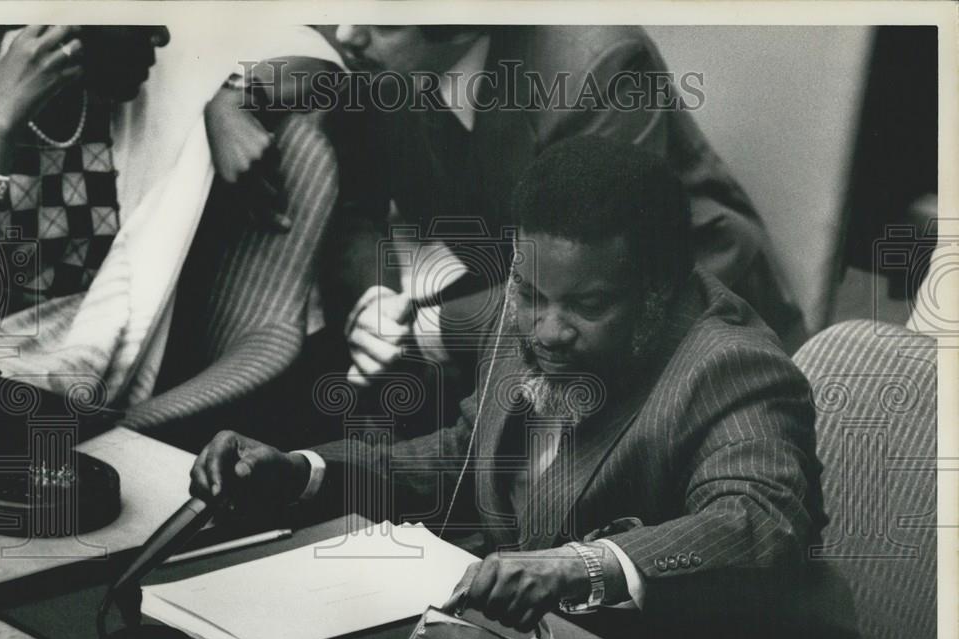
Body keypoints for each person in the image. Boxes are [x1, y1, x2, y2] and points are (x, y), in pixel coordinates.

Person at [189, 137, 856, 639]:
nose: (546, 331)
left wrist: (579, 565)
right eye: (531, 295)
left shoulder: (729, 365)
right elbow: (461, 456)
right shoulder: (533, 301)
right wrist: (305, 471)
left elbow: (757, 520)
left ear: (658, 289)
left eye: (588, 307)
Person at [319, 24, 806, 410]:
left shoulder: (600, 68)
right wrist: (378, 305)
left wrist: (429, 329)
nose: (346, 33)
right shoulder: (383, 61)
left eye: (383, 19)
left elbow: (597, 279)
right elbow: (356, 208)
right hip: (523, 304)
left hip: (678, 314)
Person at [0, 24, 344, 445]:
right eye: (144, 17)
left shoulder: (144, 75)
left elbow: (320, 59)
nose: (163, 36)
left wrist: (236, 97)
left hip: (68, 400)